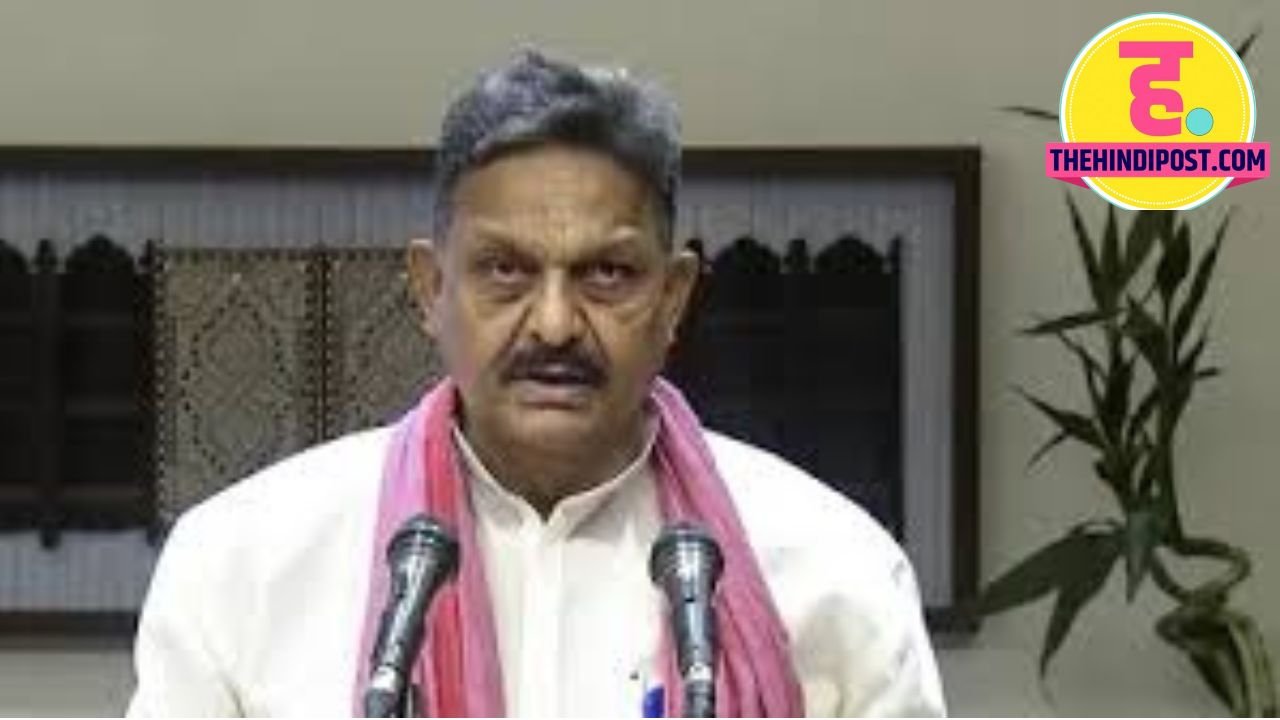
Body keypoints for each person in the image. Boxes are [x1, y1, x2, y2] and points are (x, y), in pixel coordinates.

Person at [127, 49, 945, 717]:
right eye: (505, 270)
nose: (554, 324)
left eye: (607, 273)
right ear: (430, 289)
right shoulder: (246, 564)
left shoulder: (831, 570)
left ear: (673, 297)